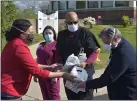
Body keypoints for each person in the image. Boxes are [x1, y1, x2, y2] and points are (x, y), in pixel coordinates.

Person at [1, 19, 76, 100]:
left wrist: (49, 67)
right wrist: (63, 74)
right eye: (30, 32)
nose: (32, 35)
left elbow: (31, 64)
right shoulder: (20, 47)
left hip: (8, 89)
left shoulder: (13, 43)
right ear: (22, 34)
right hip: (10, 91)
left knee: (54, 95)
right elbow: (35, 70)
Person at [78, 26, 137, 100]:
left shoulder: (123, 54)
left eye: (106, 42)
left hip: (126, 94)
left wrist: (86, 84)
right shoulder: (120, 44)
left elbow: (108, 78)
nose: (105, 45)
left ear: (115, 39)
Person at [56, 11, 100, 100]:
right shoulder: (61, 35)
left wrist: (86, 62)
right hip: (69, 73)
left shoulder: (86, 33)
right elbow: (58, 52)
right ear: (65, 23)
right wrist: (59, 63)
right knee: (72, 96)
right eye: (70, 23)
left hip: (84, 72)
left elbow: (94, 52)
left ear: (78, 21)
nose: (73, 24)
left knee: (85, 97)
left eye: (75, 22)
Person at [33, 26, 62, 100]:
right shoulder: (41, 45)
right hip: (41, 73)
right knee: (45, 95)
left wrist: (55, 75)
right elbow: (38, 59)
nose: (48, 35)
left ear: (54, 34)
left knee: (54, 96)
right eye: (46, 33)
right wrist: (35, 74)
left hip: (52, 74)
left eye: (50, 33)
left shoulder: (57, 45)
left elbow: (59, 61)